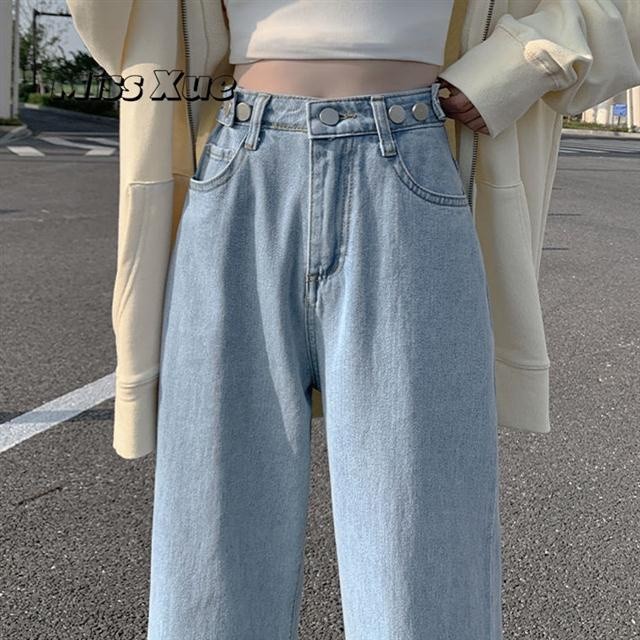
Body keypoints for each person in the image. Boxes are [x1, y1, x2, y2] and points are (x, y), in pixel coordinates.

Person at [66, 1, 640, 638]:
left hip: (409, 164)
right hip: (240, 163)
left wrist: (519, 64)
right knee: (211, 542)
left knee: (421, 542)